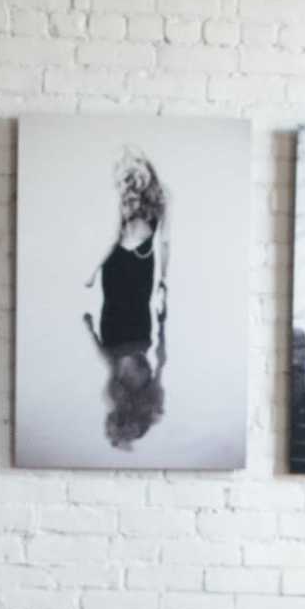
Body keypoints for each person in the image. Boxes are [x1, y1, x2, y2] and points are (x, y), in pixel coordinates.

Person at [82, 152, 169, 451]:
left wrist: (90, 331)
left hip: (120, 335)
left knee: (123, 298)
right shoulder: (145, 400)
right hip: (131, 333)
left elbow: (109, 363)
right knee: (121, 297)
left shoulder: (117, 397)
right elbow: (161, 361)